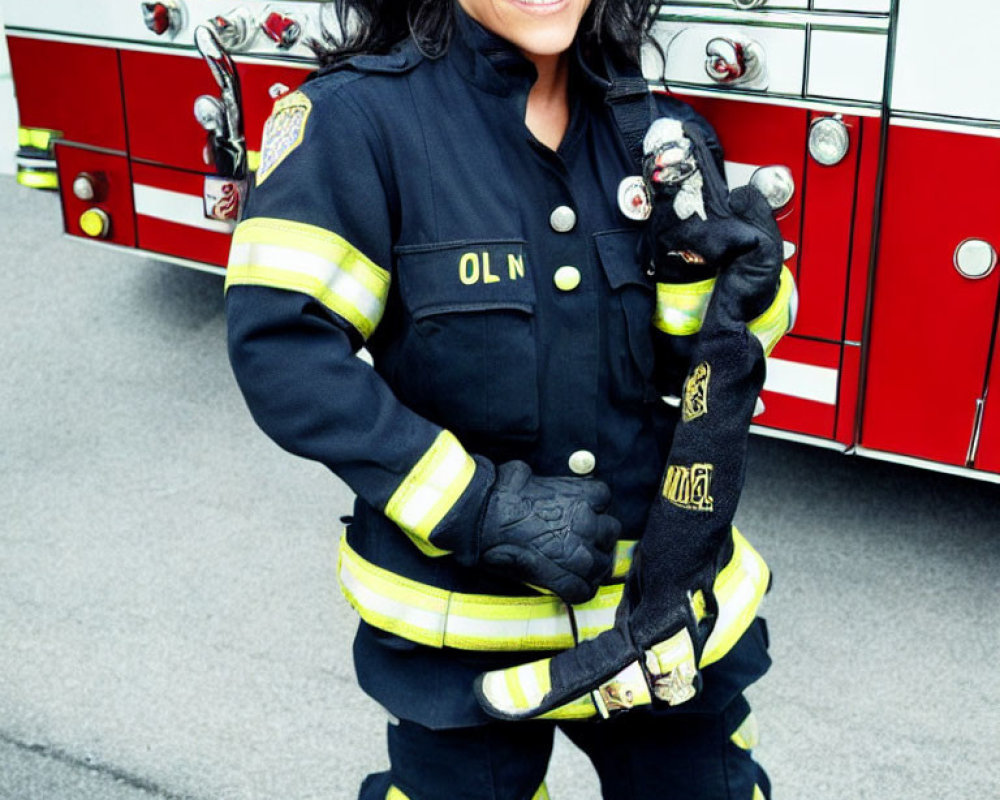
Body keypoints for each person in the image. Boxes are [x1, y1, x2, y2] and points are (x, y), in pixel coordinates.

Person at [224, 0, 794, 796]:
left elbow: (693, 370)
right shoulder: (351, 125)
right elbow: (284, 350)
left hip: (662, 624)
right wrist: (480, 508)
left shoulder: (661, 135)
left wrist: (744, 292)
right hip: (461, 641)